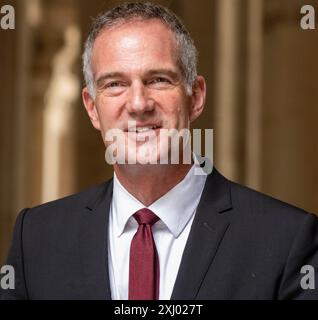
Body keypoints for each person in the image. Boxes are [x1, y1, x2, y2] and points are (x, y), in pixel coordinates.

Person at [1, 2, 318, 300]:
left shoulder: (286, 241)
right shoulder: (37, 239)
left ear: (195, 97)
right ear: (92, 109)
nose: (138, 104)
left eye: (158, 80)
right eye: (114, 84)